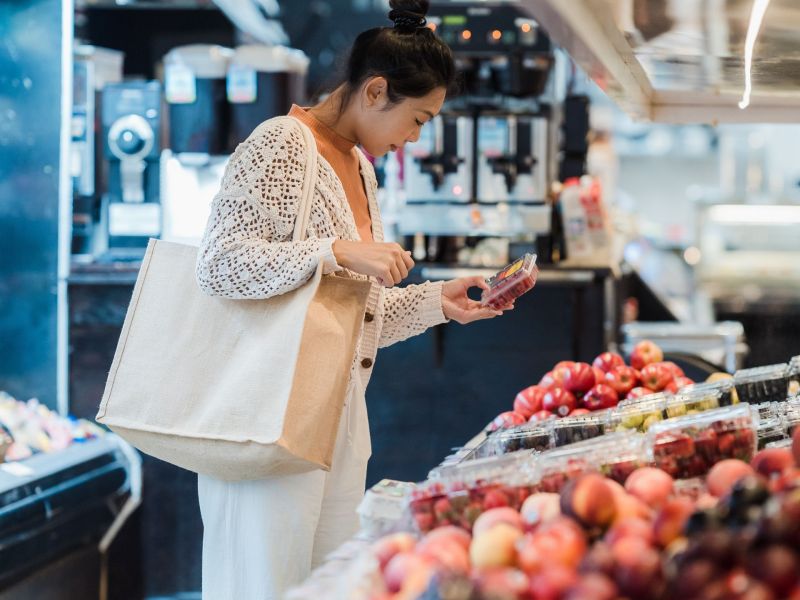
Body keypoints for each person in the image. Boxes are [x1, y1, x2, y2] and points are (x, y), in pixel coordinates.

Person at [194, 1, 513, 597]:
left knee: (333, 587)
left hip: (337, 420)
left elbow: (347, 314)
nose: (416, 138)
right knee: (263, 586)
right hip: (267, 422)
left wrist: (438, 302)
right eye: (417, 119)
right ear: (374, 92)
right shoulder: (281, 144)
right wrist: (335, 252)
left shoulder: (361, 170)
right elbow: (218, 267)